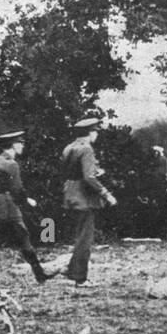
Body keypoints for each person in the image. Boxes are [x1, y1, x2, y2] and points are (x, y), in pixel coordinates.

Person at [0, 129, 56, 286]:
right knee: (24, 238)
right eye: (20, 143)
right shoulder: (11, 164)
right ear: (12, 145)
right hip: (7, 205)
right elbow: (17, 189)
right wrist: (27, 201)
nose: (22, 146)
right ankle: (40, 274)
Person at [61, 117, 116, 287]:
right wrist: (106, 193)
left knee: (79, 235)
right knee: (85, 238)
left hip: (70, 193)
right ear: (90, 133)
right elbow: (88, 177)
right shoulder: (87, 149)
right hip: (84, 197)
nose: (96, 135)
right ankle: (80, 278)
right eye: (96, 132)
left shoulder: (69, 147)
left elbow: (71, 171)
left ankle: (72, 270)